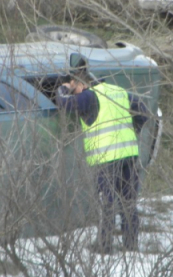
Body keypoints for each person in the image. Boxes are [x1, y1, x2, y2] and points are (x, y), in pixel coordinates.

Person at [55, 57, 149, 254]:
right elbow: (144, 112)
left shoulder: (89, 96)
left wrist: (63, 89)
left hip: (106, 159)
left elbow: (64, 104)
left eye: (74, 88)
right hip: (129, 156)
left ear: (80, 83)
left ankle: (104, 248)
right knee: (128, 204)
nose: (75, 93)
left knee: (106, 205)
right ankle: (131, 247)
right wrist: (133, 131)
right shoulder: (119, 92)